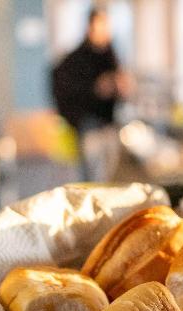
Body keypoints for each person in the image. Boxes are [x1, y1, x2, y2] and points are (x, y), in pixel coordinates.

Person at [52, 8, 130, 182]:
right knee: (94, 178)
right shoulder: (76, 59)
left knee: (110, 177)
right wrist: (96, 88)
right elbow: (65, 88)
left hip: (109, 123)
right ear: (90, 27)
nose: (105, 30)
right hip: (89, 125)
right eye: (101, 25)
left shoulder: (110, 55)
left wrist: (121, 86)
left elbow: (120, 87)